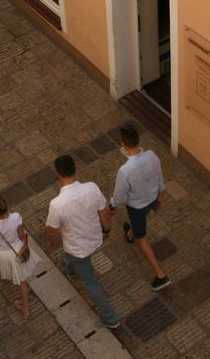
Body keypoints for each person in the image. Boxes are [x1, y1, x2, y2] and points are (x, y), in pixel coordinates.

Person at [45, 155, 120, 330]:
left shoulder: (57, 204)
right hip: (95, 237)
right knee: (70, 258)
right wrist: (106, 230)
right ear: (75, 169)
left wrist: (49, 241)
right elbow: (104, 213)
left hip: (78, 249)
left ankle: (110, 317)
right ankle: (69, 267)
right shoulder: (92, 188)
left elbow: (52, 230)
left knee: (90, 282)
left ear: (58, 174)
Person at [109, 125, 170, 291]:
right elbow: (159, 177)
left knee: (142, 238)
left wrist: (112, 205)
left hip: (136, 206)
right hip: (151, 199)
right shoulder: (152, 155)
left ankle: (160, 275)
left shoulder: (125, 171)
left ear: (123, 145)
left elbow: (120, 195)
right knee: (137, 225)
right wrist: (159, 198)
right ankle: (130, 234)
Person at [0, 194, 39, 319]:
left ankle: (25, 308)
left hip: (2, 253)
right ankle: (24, 309)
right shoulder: (16, 217)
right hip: (17, 249)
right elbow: (20, 235)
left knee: (19, 280)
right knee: (22, 280)